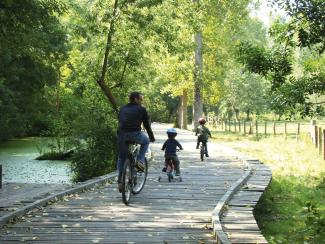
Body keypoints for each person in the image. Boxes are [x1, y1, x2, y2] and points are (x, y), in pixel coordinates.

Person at [117, 92, 155, 192]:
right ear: (135, 99)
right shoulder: (141, 109)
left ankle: (120, 181)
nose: (142, 101)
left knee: (121, 157)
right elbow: (146, 125)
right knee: (146, 141)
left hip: (122, 135)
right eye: (141, 99)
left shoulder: (122, 108)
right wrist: (151, 137)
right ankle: (139, 161)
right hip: (135, 134)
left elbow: (120, 121)